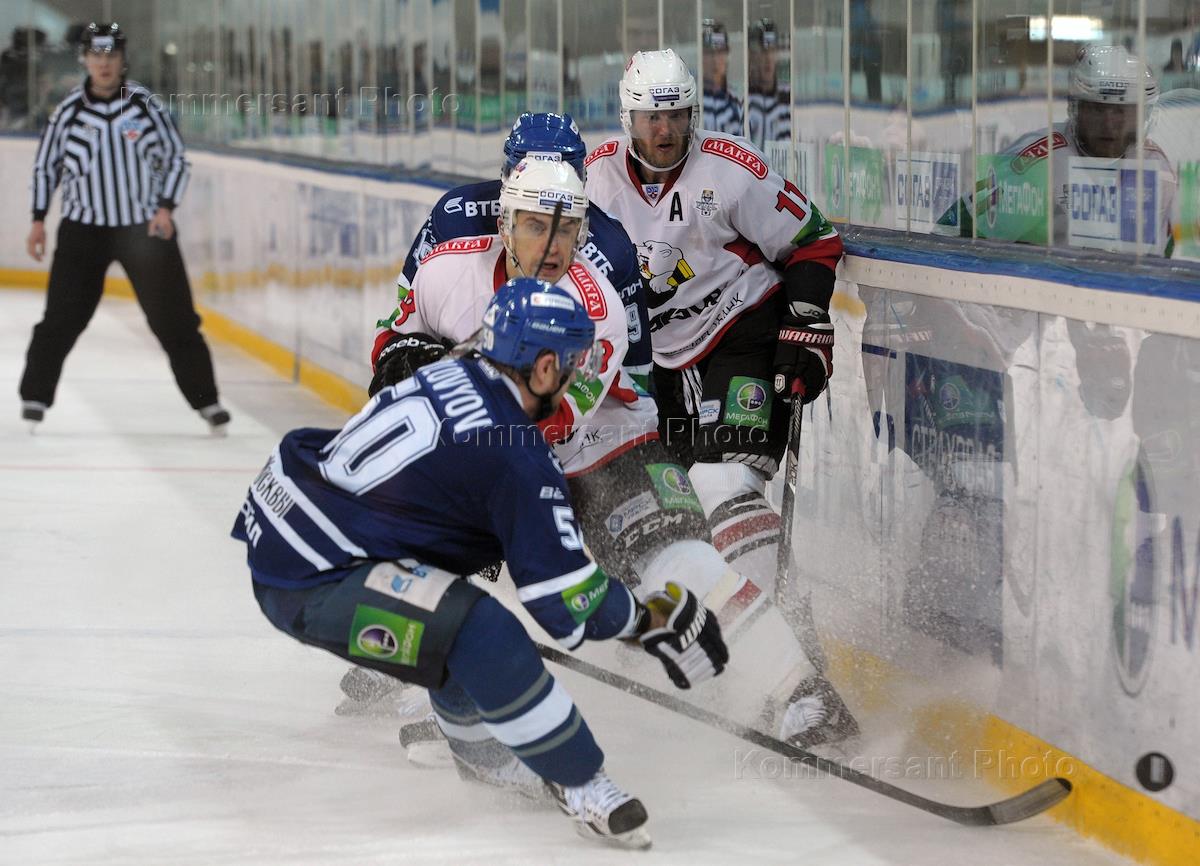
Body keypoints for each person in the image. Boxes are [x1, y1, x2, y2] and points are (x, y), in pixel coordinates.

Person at [368, 156, 851, 749]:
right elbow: (395, 337)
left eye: (567, 228)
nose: (551, 246)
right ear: (504, 225)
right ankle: (454, 705)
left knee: (680, 563)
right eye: (534, 225)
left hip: (607, 445)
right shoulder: (445, 272)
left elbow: (549, 423)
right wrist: (398, 359)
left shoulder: (595, 309)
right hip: (501, 453)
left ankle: (802, 691)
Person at [235, 277, 728, 849]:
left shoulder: (454, 372)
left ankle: (485, 760)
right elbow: (567, 602)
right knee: (483, 630)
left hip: (293, 517)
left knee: (449, 616)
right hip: (311, 576)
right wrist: (648, 619)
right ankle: (581, 783)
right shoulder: (514, 454)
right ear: (543, 369)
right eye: (572, 363)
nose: (577, 376)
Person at [584, 49, 857, 743]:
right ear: (628, 119)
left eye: (676, 115)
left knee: (725, 486)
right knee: (681, 513)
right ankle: (773, 658)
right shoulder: (593, 181)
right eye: (651, 118)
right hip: (662, 363)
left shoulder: (731, 168)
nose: (665, 130)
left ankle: (799, 676)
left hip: (743, 332)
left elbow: (815, 240)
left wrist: (805, 322)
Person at [19, 23, 229, 432]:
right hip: (83, 231)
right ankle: (34, 396)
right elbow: (46, 167)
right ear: (84, 59)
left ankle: (208, 402)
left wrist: (166, 207)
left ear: (122, 60)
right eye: (96, 55)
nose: (104, 63)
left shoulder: (146, 105)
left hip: (144, 230)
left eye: (111, 55)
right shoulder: (67, 112)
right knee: (61, 319)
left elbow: (176, 158)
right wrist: (38, 220)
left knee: (175, 321)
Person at [938, 45, 1177, 255]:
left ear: (1143, 116)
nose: (1108, 124)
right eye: (1097, 109)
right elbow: (947, 235)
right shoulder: (1039, 165)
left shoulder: (1157, 171)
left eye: (1120, 112)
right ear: (1075, 109)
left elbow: (1158, 262)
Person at [746, 18, 791, 164]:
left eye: (772, 50)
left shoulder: (789, 96)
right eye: (762, 51)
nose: (768, 58)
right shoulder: (744, 102)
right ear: (751, 55)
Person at [701, 19, 743, 136]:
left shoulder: (737, 100)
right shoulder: (694, 100)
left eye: (720, 52)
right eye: (709, 53)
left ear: (727, 54)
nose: (715, 60)